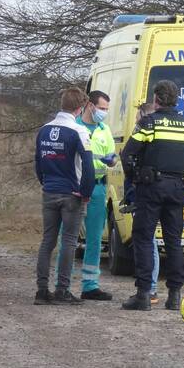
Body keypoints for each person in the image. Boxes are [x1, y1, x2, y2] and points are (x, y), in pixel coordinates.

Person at [119, 80, 184, 311]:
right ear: (176, 99)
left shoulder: (149, 123)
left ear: (156, 98)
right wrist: (178, 173)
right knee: (174, 241)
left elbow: (128, 155)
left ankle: (143, 294)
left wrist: (135, 176)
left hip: (150, 187)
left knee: (144, 238)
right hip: (177, 188)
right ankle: (175, 295)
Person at [33, 87, 95, 305]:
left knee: (47, 240)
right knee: (69, 241)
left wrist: (46, 182)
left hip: (49, 190)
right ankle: (62, 290)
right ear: (80, 108)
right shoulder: (79, 131)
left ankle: (41, 291)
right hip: (72, 193)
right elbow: (88, 165)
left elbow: (38, 162)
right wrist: (86, 192)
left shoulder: (44, 130)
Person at [54, 90, 117, 300]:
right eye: (101, 108)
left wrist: (111, 161)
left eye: (107, 109)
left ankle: (90, 285)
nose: (104, 112)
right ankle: (63, 283)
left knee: (95, 239)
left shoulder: (104, 129)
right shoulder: (74, 127)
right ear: (89, 105)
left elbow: (109, 155)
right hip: (75, 188)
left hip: (98, 188)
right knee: (68, 238)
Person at [120, 102, 162, 305]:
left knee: (148, 242)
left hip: (143, 194)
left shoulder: (145, 137)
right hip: (144, 193)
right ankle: (150, 287)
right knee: (150, 241)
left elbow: (128, 159)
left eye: (138, 116)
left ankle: (150, 289)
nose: (136, 120)